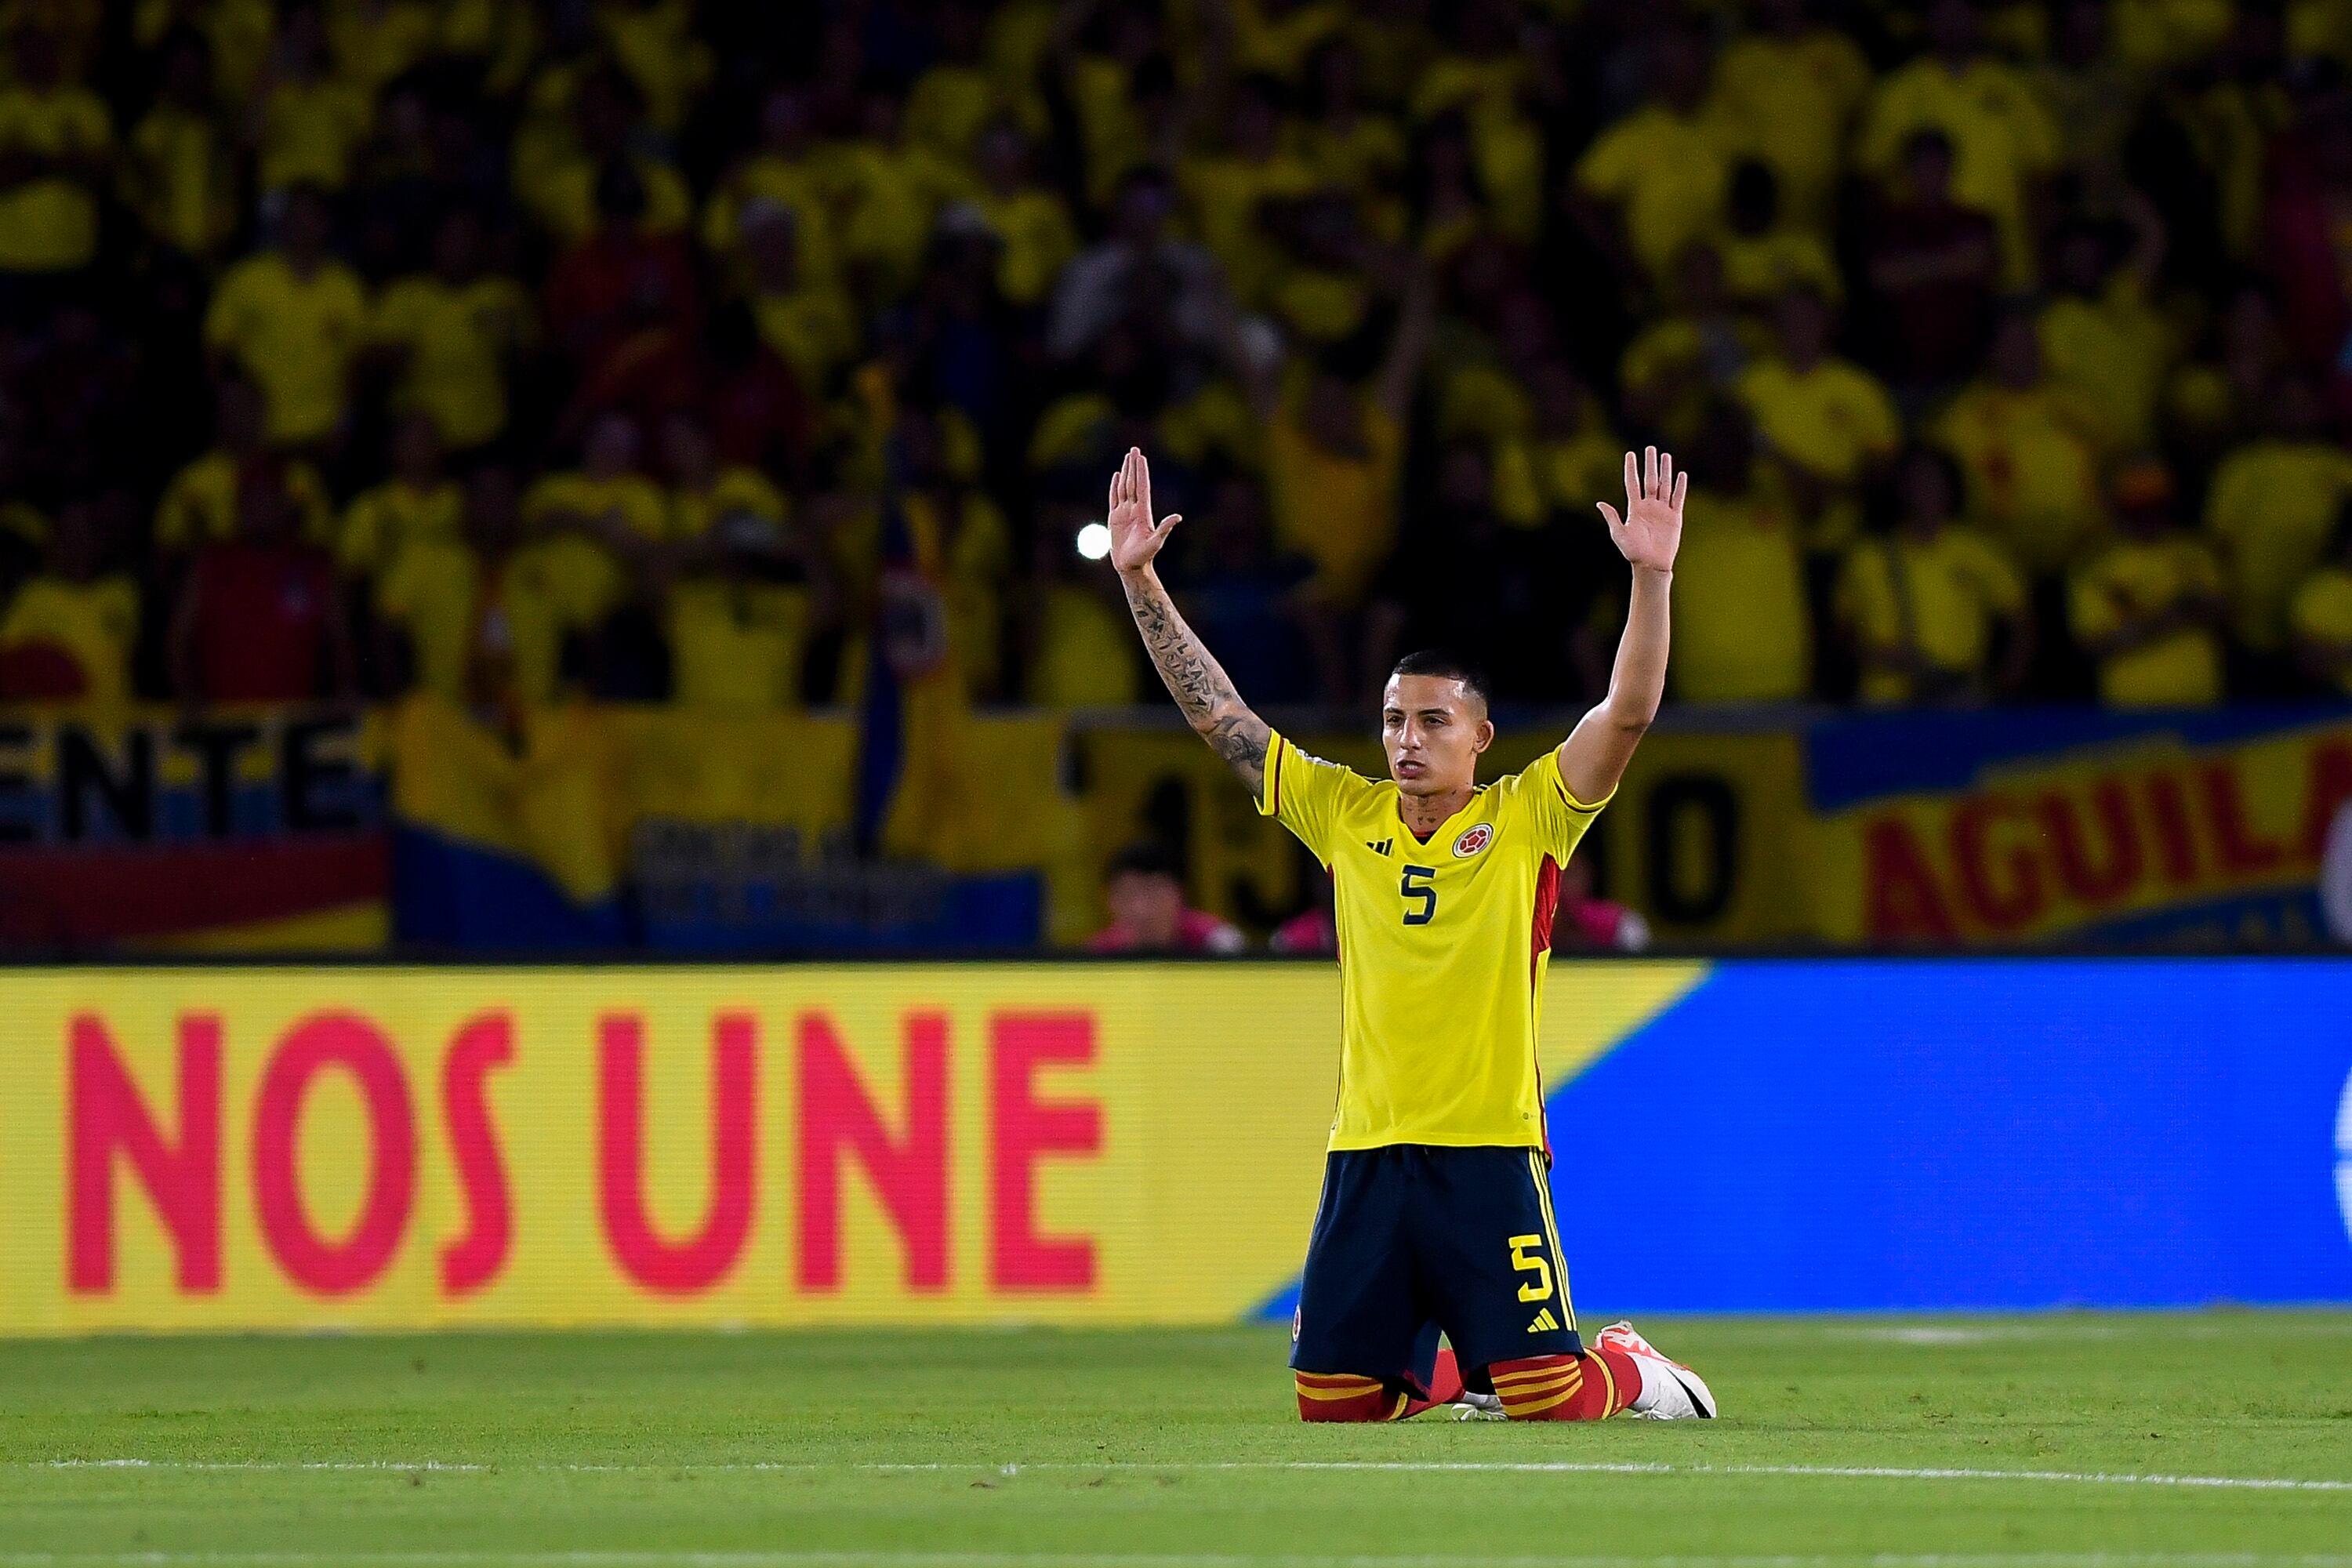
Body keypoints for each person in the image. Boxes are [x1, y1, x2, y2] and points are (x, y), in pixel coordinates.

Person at [1105, 443, 1715, 1423]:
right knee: (1334, 1404)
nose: (1406, 739)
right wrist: (1140, 579)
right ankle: (1470, 1374)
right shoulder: (1345, 813)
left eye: (1433, 720)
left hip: (1489, 1148)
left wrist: (1651, 575)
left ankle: (1634, 1366)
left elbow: (1630, 710)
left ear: (1479, 735)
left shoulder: (1530, 815)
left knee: (1553, 1399)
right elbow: (1218, 714)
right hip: (1369, 1152)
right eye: (1394, 719)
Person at [1085, 840, 1247, 954]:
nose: (1140, 908)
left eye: (1153, 893)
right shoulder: (1099, 953)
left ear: (1180, 894)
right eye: (1127, 895)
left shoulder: (1217, 943)